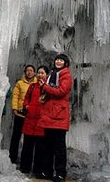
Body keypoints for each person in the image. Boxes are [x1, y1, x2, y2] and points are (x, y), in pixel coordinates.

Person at [38, 53, 72, 182]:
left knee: (59, 147)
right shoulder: (52, 74)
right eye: (57, 60)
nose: (58, 62)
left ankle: (60, 173)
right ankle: (47, 171)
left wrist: (45, 87)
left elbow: (61, 92)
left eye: (61, 60)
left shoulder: (66, 75)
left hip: (59, 115)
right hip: (49, 113)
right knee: (47, 145)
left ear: (65, 63)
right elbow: (48, 91)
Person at [19, 65, 49, 176]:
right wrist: (27, 106)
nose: (40, 75)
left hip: (41, 121)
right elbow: (26, 98)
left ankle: (38, 169)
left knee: (40, 148)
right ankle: (25, 167)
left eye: (42, 73)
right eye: (39, 73)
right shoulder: (32, 86)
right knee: (27, 145)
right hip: (30, 119)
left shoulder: (48, 87)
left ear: (46, 75)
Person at [9, 64, 37, 164]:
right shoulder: (20, 83)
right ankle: (12, 157)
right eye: (27, 71)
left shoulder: (37, 83)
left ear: (34, 73)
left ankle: (26, 160)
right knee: (16, 135)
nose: (29, 72)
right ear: (25, 72)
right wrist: (14, 108)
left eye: (31, 70)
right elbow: (15, 96)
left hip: (31, 114)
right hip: (20, 112)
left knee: (28, 138)